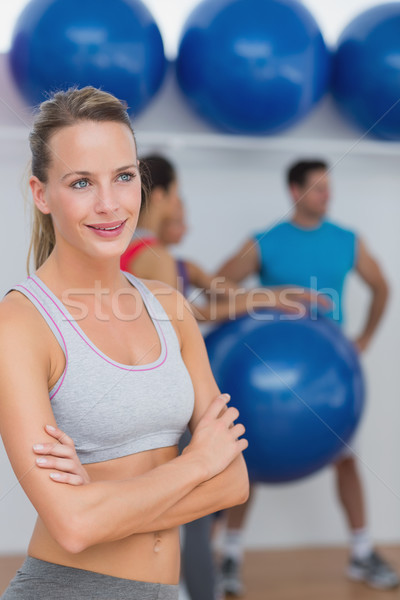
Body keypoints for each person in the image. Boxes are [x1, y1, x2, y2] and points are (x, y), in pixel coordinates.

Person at [0, 86, 250, 600]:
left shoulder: (170, 308)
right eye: (81, 182)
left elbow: (234, 482)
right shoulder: (21, 325)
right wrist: (198, 463)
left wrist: (99, 504)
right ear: (41, 193)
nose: (109, 203)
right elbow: (71, 528)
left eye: (124, 176)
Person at [216, 159, 399, 594]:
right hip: (265, 380)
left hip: (327, 380)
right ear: (295, 191)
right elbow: (217, 284)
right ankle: (231, 557)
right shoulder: (266, 241)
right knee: (248, 462)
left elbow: (382, 287)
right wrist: (265, 299)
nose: (326, 195)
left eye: (329, 188)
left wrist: (365, 338)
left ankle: (361, 553)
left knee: (347, 459)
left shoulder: (347, 241)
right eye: (318, 188)